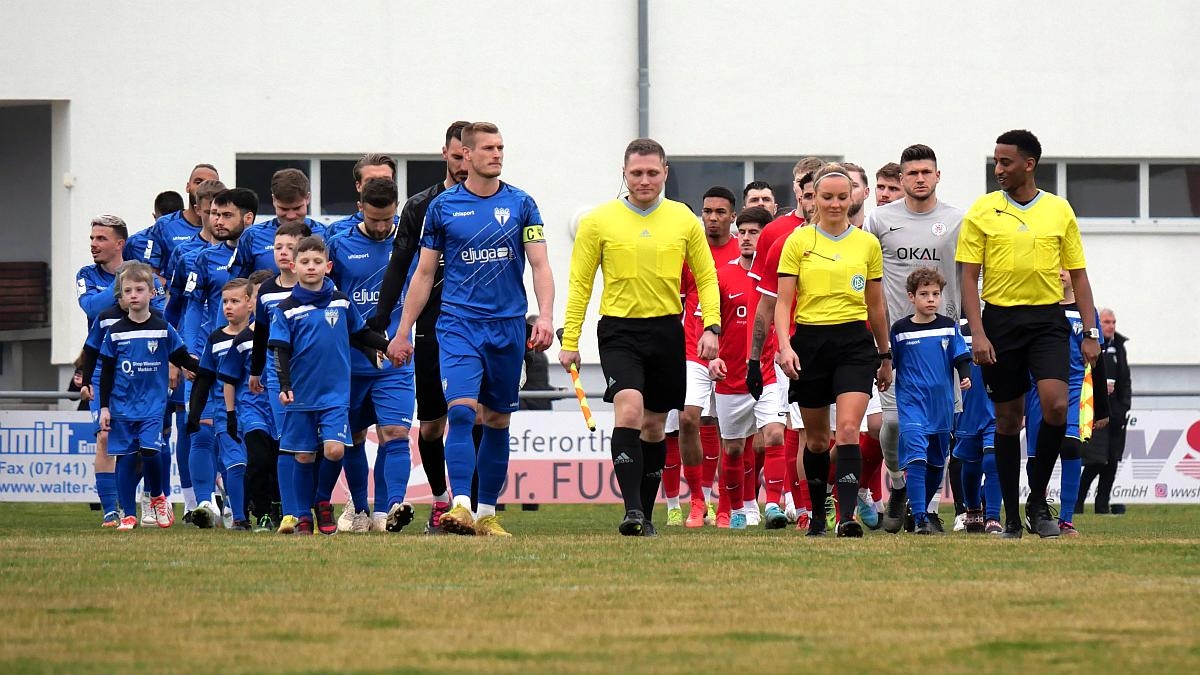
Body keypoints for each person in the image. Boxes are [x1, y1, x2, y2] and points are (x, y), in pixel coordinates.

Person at [389, 122, 555, 538]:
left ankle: (486, 514)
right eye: (488, 148)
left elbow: (539, 264)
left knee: (497, 420)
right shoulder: (443, 207)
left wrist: (546, 315)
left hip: (508, 327)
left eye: (501, 147)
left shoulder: (522, 204)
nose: (497, 154)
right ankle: (459, 504)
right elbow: (424, 273)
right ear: (466, 154)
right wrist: (403, 330)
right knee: (461, 410)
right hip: (459, 324)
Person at [560, 137, 719, 536]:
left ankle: (645, 516)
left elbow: (706, 277)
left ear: (665, 173)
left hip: (667, 329)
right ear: (624, 173)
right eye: (636, 173)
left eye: (652, 172)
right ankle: (631, 511)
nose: (644, 180)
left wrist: (712, 327)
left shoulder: (683, 219)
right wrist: (570, 340)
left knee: (653, 427)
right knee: (628, 412)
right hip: (619, 331)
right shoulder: (599, 221)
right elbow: (580, 283)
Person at [957, 129, 1101, 539]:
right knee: (1008, 419)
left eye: (1006, 162)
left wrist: (1090, 330)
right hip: (1000, 322)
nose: (998, 170)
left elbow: (1080, 276)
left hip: (1048, 322)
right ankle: (1010, 517)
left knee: (1056, 407)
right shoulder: (982, 211)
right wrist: (979, 334)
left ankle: (1038, 500)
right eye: (995, 162)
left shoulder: (1059, 210)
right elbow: (969, 279)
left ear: (1029, 164)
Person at [774, 163, 891, 538]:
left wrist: (884, 354)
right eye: (828, 197)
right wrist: (784, 346)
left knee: (848, 430)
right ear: (814, 200)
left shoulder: (867, 244)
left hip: (854, 344)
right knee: (818, 439)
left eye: (843, 196)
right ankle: (818, 516)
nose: (836, 204)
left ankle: (848, 517)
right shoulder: (798, 242)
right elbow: (783, 302)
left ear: (853, 197)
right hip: (810, 343)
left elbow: (876, 305)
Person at [373, 121, 471, 533]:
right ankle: (439, 499)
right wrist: (383, 324)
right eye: (457, 155)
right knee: (432, 426)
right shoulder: (420, 206)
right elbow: (399, 267)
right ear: (444, 154)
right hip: (432, 327)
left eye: (472, 154)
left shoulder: (507, 202)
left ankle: (473, 503)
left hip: (479, 325)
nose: (465, 162)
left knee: (475, 415)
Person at [864, 144, 965, 532]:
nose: (920, 178)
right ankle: (902, 484)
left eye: (926, 172)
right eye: (912, 173)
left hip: (941, 345)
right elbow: (867, 276)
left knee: (940, 434)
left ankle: (927, 511)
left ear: (937, 176)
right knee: (892, 426)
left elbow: (971, 276)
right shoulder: (879, 220)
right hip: (893, 345)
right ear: (901, 179)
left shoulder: (957, 221)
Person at [270, 236, 390, 535]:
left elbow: (361, 334)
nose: (311, 267)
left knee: (335, 451)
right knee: (304, 455)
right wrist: (285, 385)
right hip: (301, 395)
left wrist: (389, 347)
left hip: (336, 394)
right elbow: (280, 351)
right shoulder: (285, 309)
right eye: (305, 262)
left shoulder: (341, 300)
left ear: (328, 266)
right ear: (294, 266)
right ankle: (302, 515)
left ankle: (323, 500)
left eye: (317, 262)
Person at [327, 177, 418, 533]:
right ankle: (360, 510)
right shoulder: (338, 245)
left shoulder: (410, 242)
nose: (382, 227)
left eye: (388, 218)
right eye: (375, 219)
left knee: (395, 432)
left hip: (396, 358)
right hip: (350, 361)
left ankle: (390, 509)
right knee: (354, 437)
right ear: (360, 208)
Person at [97, 262, 199, 530]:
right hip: (121, 407)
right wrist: (105, 407)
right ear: (121, 295)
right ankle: (128, 514)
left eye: (139, 289)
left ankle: (157, 496)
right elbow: (106, 372)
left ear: (152, 293)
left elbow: (181, 357)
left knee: (151, 451)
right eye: (127, 290)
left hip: (153, 406)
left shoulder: (163, 327)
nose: (133, 295)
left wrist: (204, 370)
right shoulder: (115, 331)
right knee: (127, 458)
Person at [705, 207, 786, 529]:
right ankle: (739, 508)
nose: (748, 238)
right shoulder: (722, 275)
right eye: (744, 232)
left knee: (775, 436)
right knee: (735, 448)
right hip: (730, 376)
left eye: (755, 233)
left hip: (767, 372)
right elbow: (707, 323)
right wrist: (712, 356)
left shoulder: (780, 275)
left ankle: (774, 506)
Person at [1024, 270, 1110, 536]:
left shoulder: (1086, 312)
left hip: (1073, 388)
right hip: (1038, 388)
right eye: (1055, 265)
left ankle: (1066, 519)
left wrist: (1102, 407)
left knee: (1071, 447)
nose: (1060, 272)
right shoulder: (1037, 307)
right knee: (1037, 455)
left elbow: (1097, 359)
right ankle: (1036, 507)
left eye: (1065, 267)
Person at [889, 268, 971, 534]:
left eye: (935, 294)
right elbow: (889, 362)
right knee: (916, 456)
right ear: (911, 297)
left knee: (937, 462)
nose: (931, 299)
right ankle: (922, 517)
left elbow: (961, 355)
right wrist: (881, 375)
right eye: (924, 294)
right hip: (912, 403)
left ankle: (919, 508)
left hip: (941, 407)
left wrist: (966, 375)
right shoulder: (900, 330)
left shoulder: (948, 326)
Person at [676, 186, 741, 527]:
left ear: (732, 215)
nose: (712, 218)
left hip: (733, 352)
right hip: (692, 349)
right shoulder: (690, 250)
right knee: (689, 418)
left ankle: (727, 504)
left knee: (728, 431)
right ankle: (698, 500)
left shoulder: (741, 250)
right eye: (707, 211)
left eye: (720, 212)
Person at [248, 222, 312, 533]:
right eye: (278, 248)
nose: (284, 253)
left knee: (313, 445)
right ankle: (291, 512)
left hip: (314, 378)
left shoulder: (318, 289)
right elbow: (261, 334)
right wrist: (255, 370)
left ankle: (312, 507)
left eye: (290, 247)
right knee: (287, 441)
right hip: (277, 377)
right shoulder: (268, 292)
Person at [186, 278, 256, 530]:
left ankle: (265, 511)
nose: (228, 306)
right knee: (236, 463)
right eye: (225, 301)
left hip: (259, 412)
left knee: (255, 465)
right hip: (224, 414)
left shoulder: (262, 335)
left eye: (235, 301)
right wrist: (194, 413)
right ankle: (239, 518)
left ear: (250, 303)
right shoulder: (215, 339)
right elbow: (204, 379)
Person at [217, 269, 280, 532]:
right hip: (253, 410)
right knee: (259, 460)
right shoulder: (243, 340)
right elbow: (229, 378)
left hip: (283, 407)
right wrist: (231, 415)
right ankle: (261, 512)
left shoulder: (289, 331)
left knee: (280, 462)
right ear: (253, 301)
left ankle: (284, 509)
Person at [1079, 308, 1131, 514]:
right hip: (1097, 410)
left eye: (1114, 322)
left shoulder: (1119, 346)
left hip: (1117, 413)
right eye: (1107, 322)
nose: (1111, 326)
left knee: (1112, 462)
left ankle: (1102, 506)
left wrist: (1125, 405)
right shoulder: (1092, 345)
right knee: (1095, 461)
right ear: (1099, 324)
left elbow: (1125, 380)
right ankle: (1077, 504)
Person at [952, 318, 1001, 533]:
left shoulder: (999, 324)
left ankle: (993, 516)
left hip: (995, 408)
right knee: (970, 465)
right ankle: (972, 510)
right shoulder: (955, 328)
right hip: (967, 408)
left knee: (992, 461)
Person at [232, 169, 327, 277]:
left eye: (297, 208)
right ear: (274, 200)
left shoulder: (326, 233)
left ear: (308, 198)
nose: (291, 216)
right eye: (284, 209)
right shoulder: (252, 236)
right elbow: (237, 283)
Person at [136, 164, 221, 273]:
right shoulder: (165, 225)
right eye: (198, 182)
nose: (204, 188)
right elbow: (151, 272)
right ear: (187, 186)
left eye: (211, 184)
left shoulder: (227, 227)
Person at [327, 154, 398, 239]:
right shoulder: (337, 230)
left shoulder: (407, 228)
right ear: (358, 186)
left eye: (385, 180)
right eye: (371, 180)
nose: (378, 185)